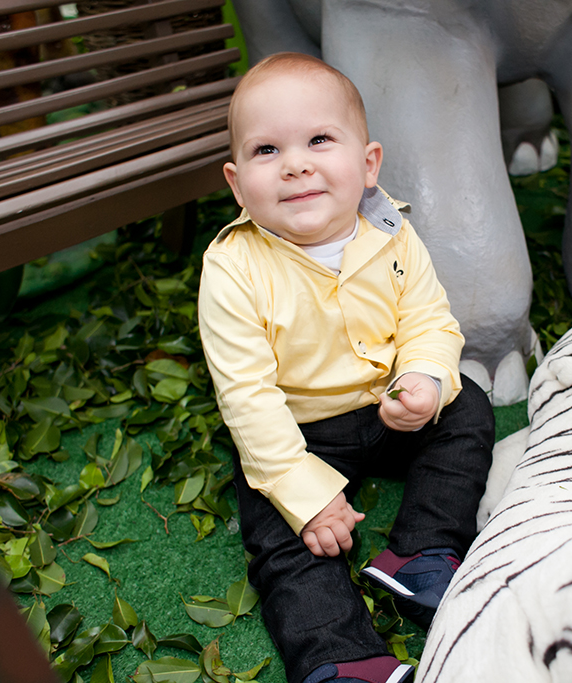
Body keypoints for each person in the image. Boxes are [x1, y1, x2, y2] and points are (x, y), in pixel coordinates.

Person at [197, 52, 495, 683]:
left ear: (368, 164)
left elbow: (429, 320)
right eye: (267, 150)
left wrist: (423, 378)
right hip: (298, 431)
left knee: (466, 403)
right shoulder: (232, 269)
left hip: (388, 409)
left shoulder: (390, 232)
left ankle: (421, 552)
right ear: (237, 184)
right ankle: (341, 656)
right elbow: (247, 396)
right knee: (279, 528)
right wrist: (304, 493)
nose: (296, 164)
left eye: (319, 140)